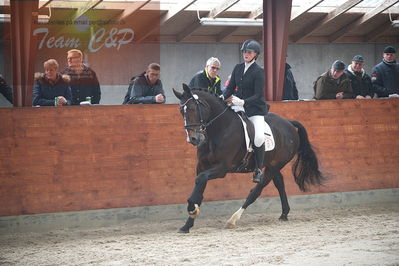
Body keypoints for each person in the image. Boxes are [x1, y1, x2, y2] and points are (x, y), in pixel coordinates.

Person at [223, 39, 267, 183]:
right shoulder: (238, 67)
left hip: (254, 109)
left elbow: (258, 94)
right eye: (244, 52)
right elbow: (230, 88)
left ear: (256, 54)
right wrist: (222, 97)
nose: (246, 54)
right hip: (237, 106)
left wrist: (244, 102)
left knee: (259, 137)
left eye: (249, 52)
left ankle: (259, 169)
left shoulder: (259, 71)